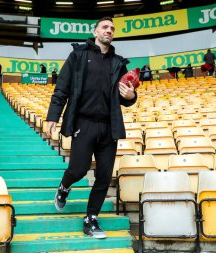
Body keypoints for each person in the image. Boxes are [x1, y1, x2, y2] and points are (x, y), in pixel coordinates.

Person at [45, 17, 137, 239]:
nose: (109, 30)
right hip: (83, 123)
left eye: (112, 28)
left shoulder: (119, 62)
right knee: (78, 169)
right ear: (95, 31)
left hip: (109, 126)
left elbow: (125, 96)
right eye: (105, 27)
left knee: (104, 175)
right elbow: (62, 87)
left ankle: (91, 218)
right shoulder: (78, 55)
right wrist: (53, 116)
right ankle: (64, 186)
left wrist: (131, 96)